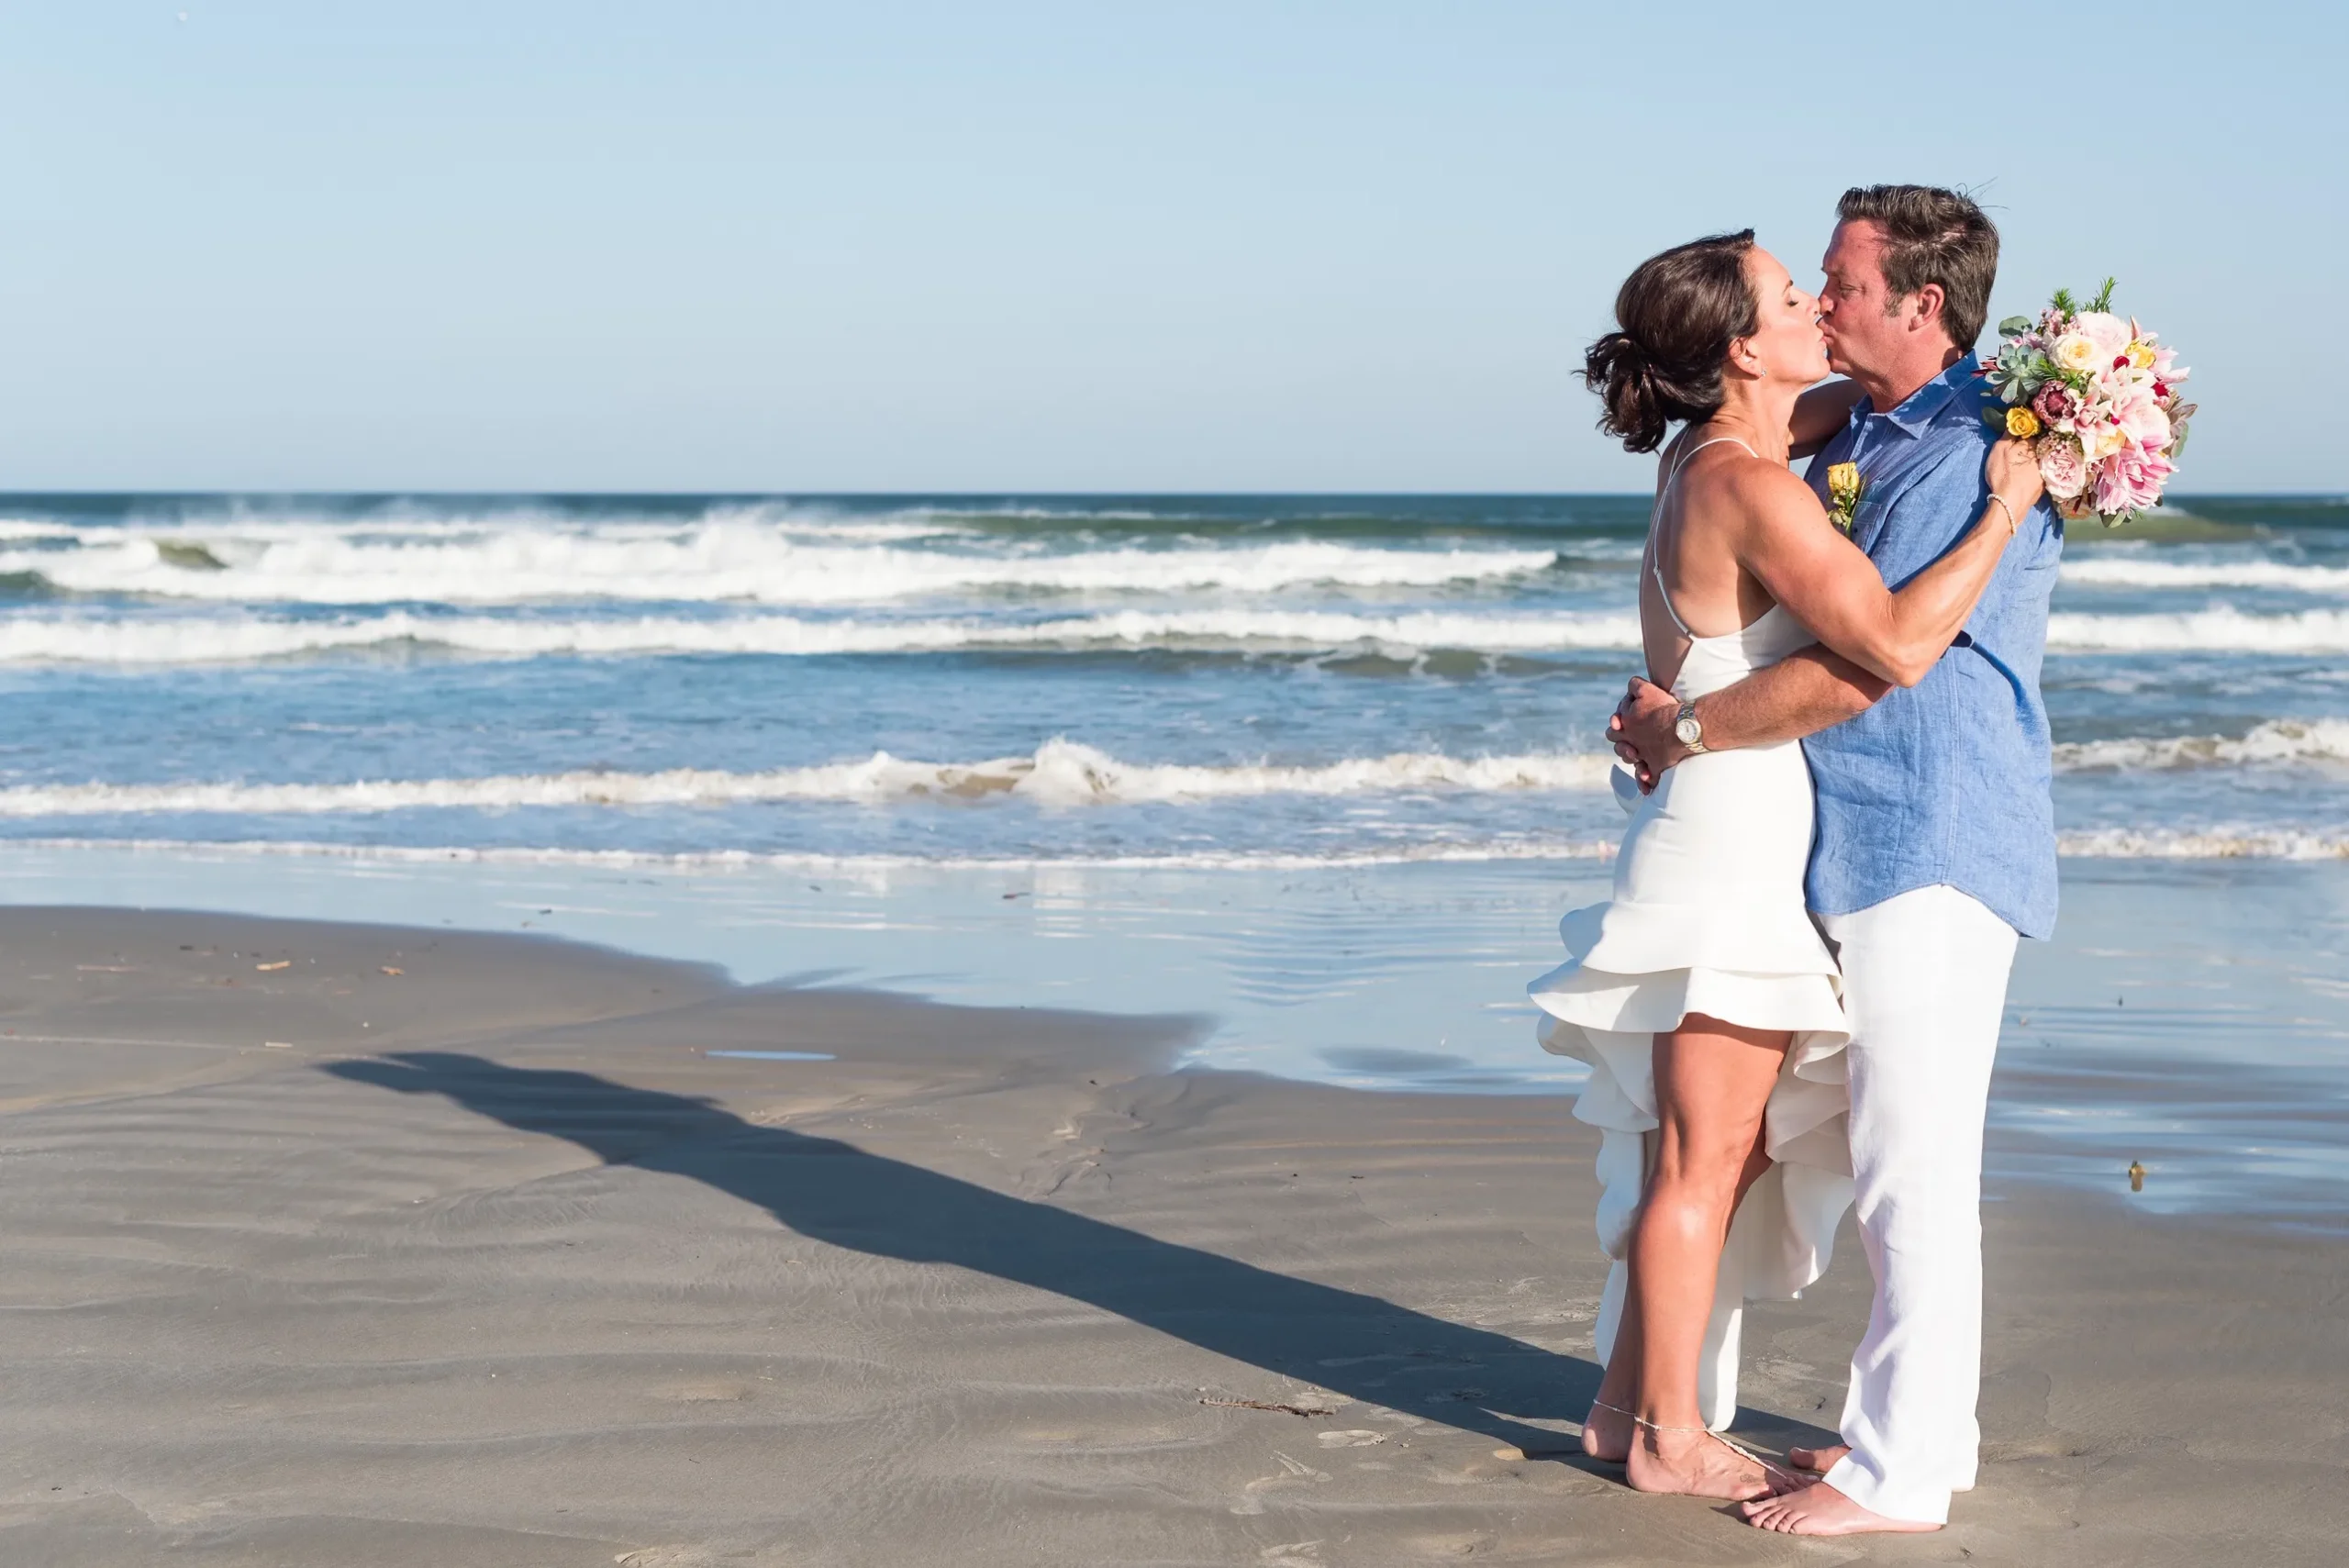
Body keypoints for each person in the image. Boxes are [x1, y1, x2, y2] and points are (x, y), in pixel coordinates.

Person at [1527, 217, 2043, 1505]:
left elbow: (1837, 400)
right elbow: (1892, 648)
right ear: (1742, 349)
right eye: (1790, 296)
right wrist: (2003, 510)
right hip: (1735, 840)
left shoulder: (1730, 448)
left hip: (1727, 830)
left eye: (1837, 286)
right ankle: (1663, 1436)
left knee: (1704, 1153)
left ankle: (1620, 1409)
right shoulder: (1749, 483)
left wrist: (2025, 414)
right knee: (1705, 1159)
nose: (1817, 303)